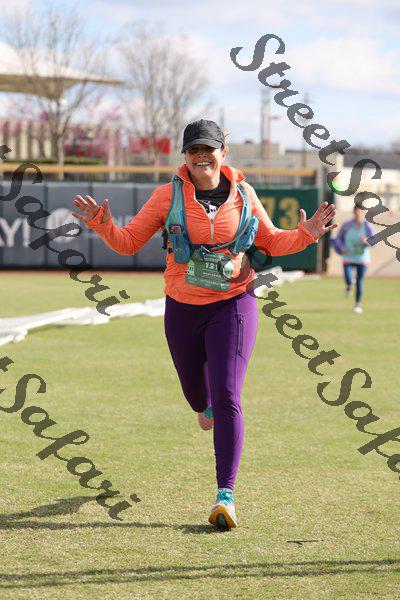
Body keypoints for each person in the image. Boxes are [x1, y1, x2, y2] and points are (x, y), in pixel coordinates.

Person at [71, 119, 336, 529]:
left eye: (208, 149)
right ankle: (203, 405)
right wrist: (102, 224)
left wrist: (306, 234)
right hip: (182, 308)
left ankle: (225, 496)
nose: (201, 156)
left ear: (222, 154)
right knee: (199, 398)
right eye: (194, 149)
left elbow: (271, 240)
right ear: (185, 156)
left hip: (233, 304)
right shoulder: (167, 196)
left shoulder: (244, 194)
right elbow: (128, 242)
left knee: (228, 395)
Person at [331, 201, 375, 314]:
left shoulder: (367, 226)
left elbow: (374, 241)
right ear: (353, 212)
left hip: (362, 258)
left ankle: (357, 305)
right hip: (348, 256)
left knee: (359, 281)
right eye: (356, 212)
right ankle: (349, 285)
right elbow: (338, 239)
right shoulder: (347, 225)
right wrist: (342, 248)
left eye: (360, 212)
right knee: (348, 279)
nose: (358, 214)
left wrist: (366, 241)